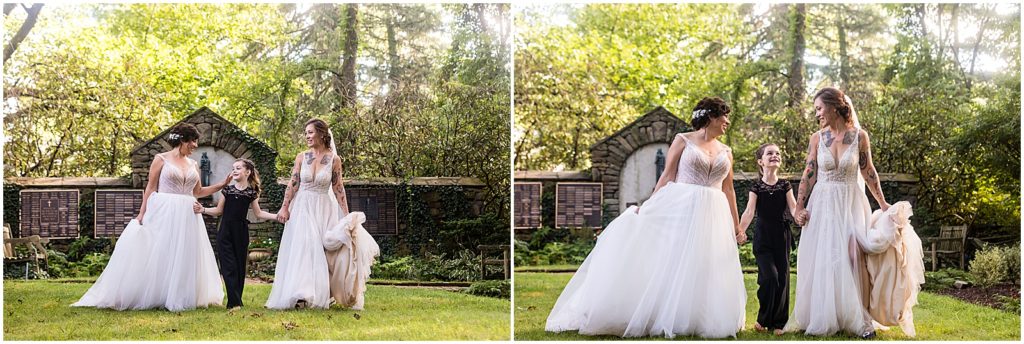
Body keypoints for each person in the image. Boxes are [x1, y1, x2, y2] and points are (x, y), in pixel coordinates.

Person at [545, 97, 746, 339]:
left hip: (714, 211)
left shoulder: (726, 151)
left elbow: (729, 189)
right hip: (682, 206)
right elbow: (667, 175)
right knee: (675, 260)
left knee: (707, 263)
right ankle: (666, 314)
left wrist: (736, 225)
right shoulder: (683, 140)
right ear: (711, 116)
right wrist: (649, 205)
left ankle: (699, 317)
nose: (727, 121)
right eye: (724, 116)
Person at [73, 123, 231, 311]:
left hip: (188, 212)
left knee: (184, 253)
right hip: (163, 210)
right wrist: (142, 213)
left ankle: (179, 293)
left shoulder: (193, 164)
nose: (195, 145)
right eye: (193, 141)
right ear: (182, 140)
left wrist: (222, 184)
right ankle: (157, 293)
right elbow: (150, 187)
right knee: (160, 250)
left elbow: (198, 191)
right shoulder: (161, 159)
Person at [785, 87, 889, 338]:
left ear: (833, 107)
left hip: (851, 202)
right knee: (824, 257)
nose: (817, 114)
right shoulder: (817, 138)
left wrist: (883, 204)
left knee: (853, 257)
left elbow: (868, 171)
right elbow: (809, 173)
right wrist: (799, 206)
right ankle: (822, 316)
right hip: (822, 203)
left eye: (819, 108)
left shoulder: (859, 136)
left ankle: (859, 319)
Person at [265, 118, 350, 309]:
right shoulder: (301, 157)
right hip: (302, 206)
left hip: (323, 208)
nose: (307, 136)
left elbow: (338, 188)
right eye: (306, 133)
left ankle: (320, 293)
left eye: (310, 132)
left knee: (321, 250)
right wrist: (285, 206)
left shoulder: (334, 160)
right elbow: (293, 183)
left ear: (322, 133)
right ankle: (301, 294)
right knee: (304, 247)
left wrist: (346, 215)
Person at [193, 158, 279, 310]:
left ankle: (237, 300)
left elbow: (258, 213)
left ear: (248, 172)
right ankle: (234, 303)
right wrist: (203, 210)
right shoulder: (227, 190)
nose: (235, 170)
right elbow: (219, 210)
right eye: (233, 168)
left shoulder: (251, 193)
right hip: (225, 230)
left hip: (241, 232)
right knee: (228, 266)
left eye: (238, 168)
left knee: (239, 267)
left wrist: (277, 216)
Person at [737, 143, 799, 335]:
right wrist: (740, 231)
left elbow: (794, 208)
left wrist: (802, 217)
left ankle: (779, 323)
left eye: (777, 153)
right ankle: (763, 319)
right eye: (769, 153)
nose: (775, 156)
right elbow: (749, 211)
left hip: (782, 236)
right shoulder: (756, 186)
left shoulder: (785, 185)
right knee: (769, 278)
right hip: (762, 237)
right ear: (760, 161)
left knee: (782, 278)